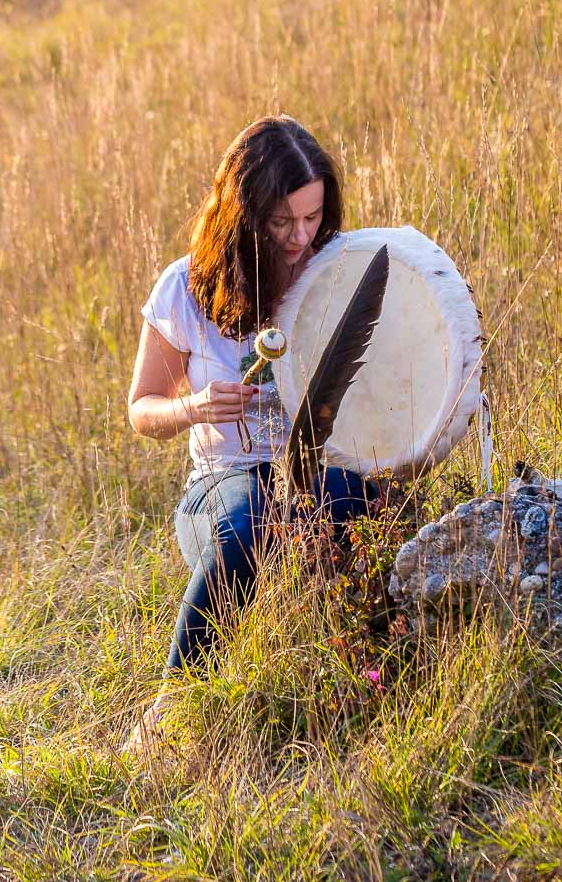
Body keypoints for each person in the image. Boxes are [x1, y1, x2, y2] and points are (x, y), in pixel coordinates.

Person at [123, 115, 380, 755]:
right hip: (221, 484)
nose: (300, 238)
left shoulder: (338, 270)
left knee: (371, 505)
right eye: (282, 223)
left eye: (312, 218)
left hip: (324, 476)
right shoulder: (184, 287)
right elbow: (141, 410)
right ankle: (173, 710)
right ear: (244, 215)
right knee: (253, 521)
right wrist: (195, 407)